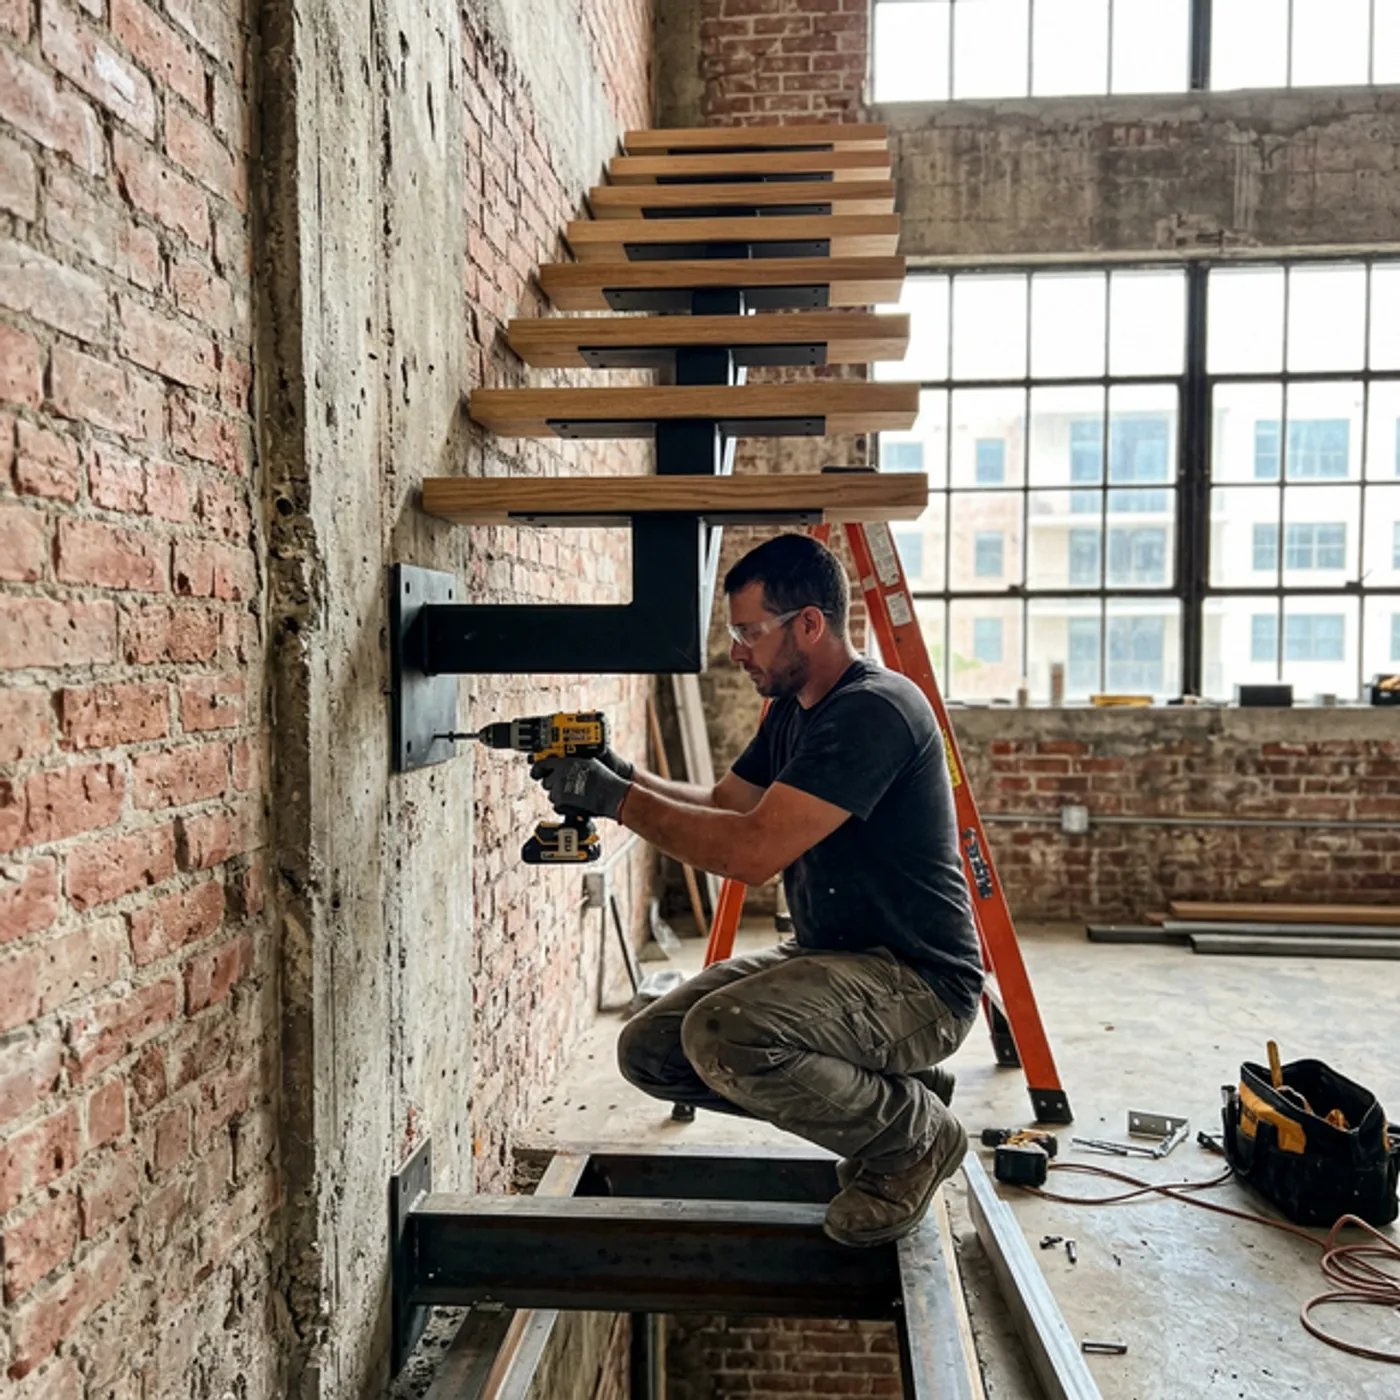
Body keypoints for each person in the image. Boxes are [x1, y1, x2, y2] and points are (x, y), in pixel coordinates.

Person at [530, 533, 984, 1247]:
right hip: (840, 961)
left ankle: (912, 1138)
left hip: (920, 984)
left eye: (749, 632)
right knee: (651, 1049)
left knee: (729, 1034)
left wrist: (617, 801)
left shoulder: (874, 712)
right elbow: (728, 802)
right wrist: (619, 772)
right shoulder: (797, 709)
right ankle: (900, 1095)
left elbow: (750, 853)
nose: (737, 651)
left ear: (809, 624)